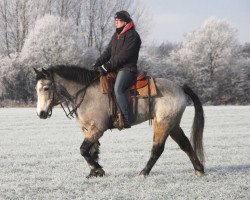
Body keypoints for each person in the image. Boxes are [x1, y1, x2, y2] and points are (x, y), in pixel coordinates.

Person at [92, 10, 141, 128]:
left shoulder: (133, 36)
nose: (116, 23)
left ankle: (126, 118)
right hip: (116, 68)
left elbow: (125, 56)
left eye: (118, 21)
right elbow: (108, 52)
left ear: (125, 22)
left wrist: (107, 66)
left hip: (127, 69)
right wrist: (98, 63)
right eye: (115, 21)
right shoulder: (116, 35)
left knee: (118, 89)